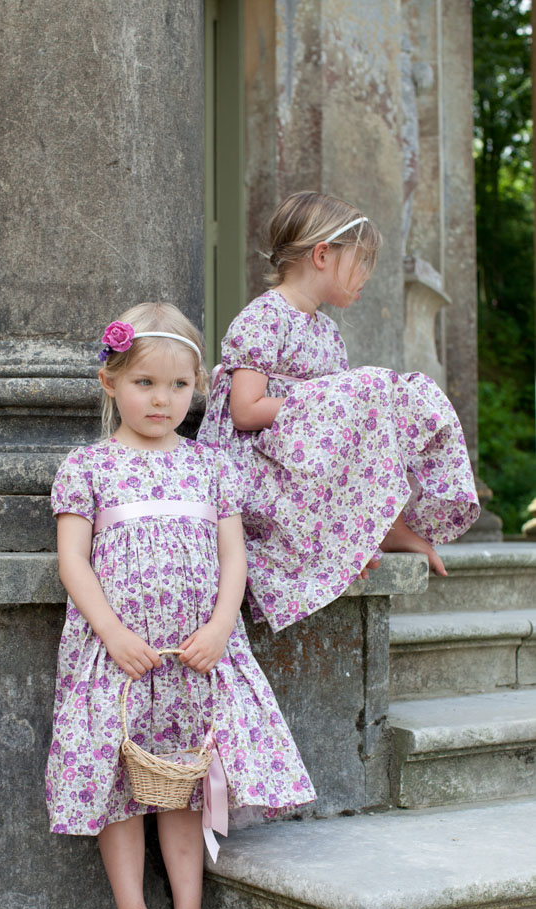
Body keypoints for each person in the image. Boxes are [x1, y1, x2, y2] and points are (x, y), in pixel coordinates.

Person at [46, 302, 315, 909]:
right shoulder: (89, 466)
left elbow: (234, 558)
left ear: (197, 389)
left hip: (198, 656)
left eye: (178, 386)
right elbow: (73, 561)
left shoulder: (211, 466)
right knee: (120, 788)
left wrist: (222, 627)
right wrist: (111, 632)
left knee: (185, 786)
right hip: (120, 658)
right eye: (144, 383)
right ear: (110, 382)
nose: (162, 399)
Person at [197, 191, 479, 633]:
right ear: (323, 254)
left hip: (301, 462)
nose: (368, 274)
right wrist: (326, 404)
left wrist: (344, 405)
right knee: (365, 391)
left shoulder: (327, 332)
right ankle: (374, 528)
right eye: (361, 260)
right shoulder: (263, 318)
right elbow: (244, 411)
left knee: (397, 394)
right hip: (256, 465)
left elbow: (345, 431)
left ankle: (381, 521)